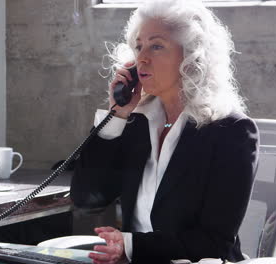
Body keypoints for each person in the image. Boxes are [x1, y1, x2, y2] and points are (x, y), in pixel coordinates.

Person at [70, 0, 259, 263]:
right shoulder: (136, 123)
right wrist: (117, 116)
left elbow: (214, 243)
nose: (142, 58)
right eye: (138, 46)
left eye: (156, 46)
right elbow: (87, 198)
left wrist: (130, 245)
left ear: (193, 56)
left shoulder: (231, 131)